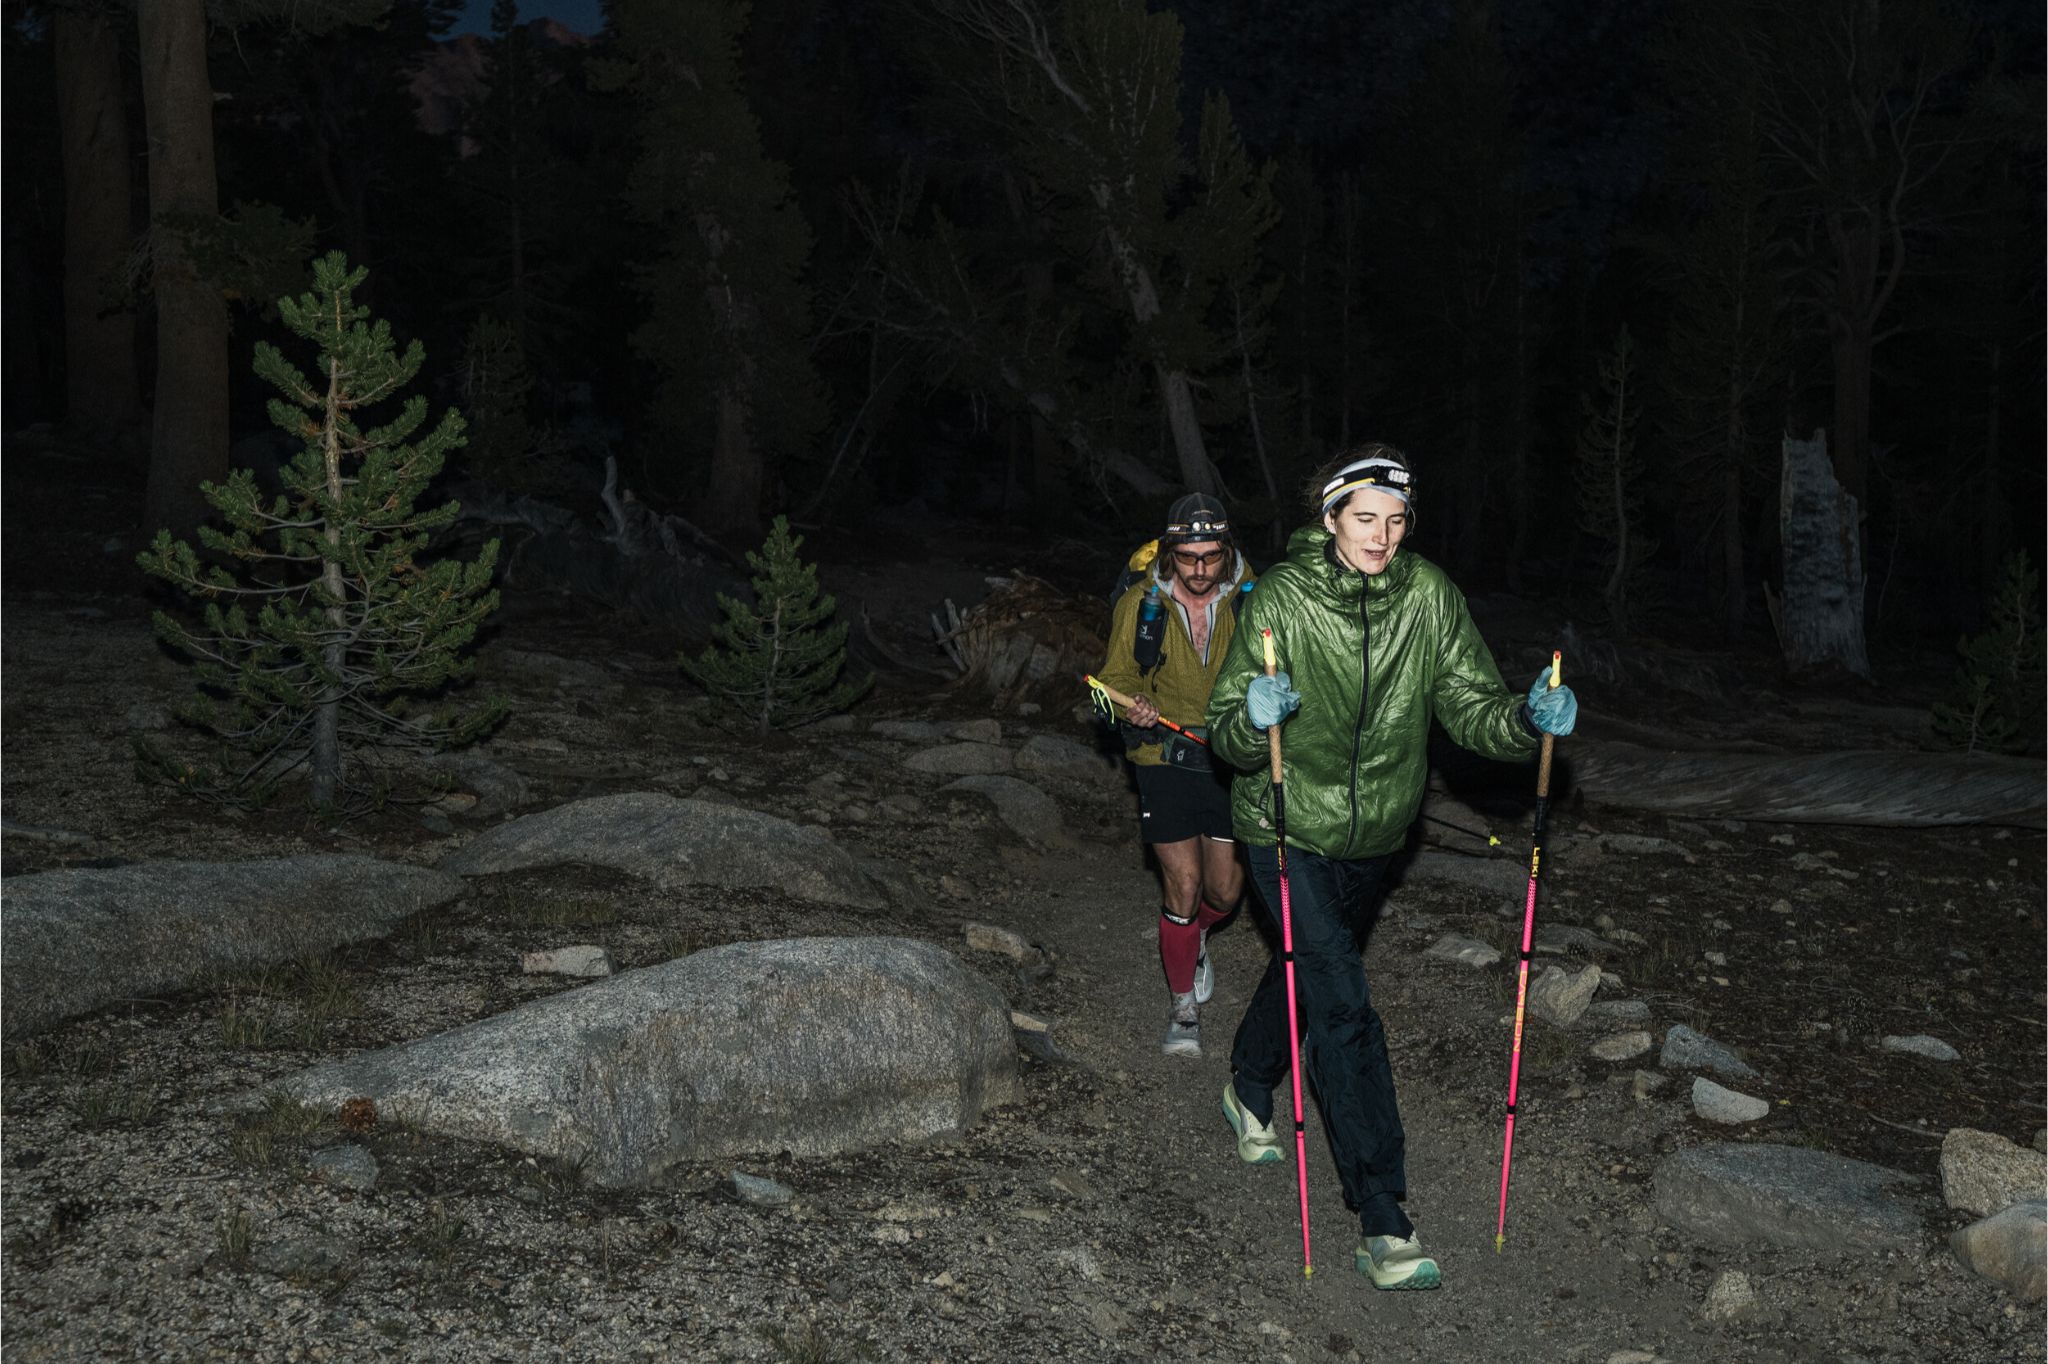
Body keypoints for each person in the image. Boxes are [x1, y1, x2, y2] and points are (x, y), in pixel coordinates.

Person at [1202, 444, 1578, 1291]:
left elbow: (1470, 707)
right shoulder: (1280, 601)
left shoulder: (1429, 597)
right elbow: (1227, 725)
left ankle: (1250, 1080)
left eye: (1397, 520)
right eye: (1366, 518)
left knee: (1309, 974)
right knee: (1343, 1005)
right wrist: (1247, 717)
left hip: (1378, 840)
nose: (1383, 536)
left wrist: (1526, 720)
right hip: (1283, 824)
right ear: (1329, 518)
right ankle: (1383, 1214)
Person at [1096, 492, 1255, 1057]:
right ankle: (1183, 1005)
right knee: (1182, 886)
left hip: (1231, 759)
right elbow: (1111, 679)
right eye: (1188, 557)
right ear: (1170, 553)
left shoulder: (1255, 601)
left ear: (1226, 552)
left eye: (1211, 557)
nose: (1200, 570)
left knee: (1224, 890)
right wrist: (1128, 704)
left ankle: (1199, 937)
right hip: (1162, 758)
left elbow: (1278, 670)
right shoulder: (1141, 604)